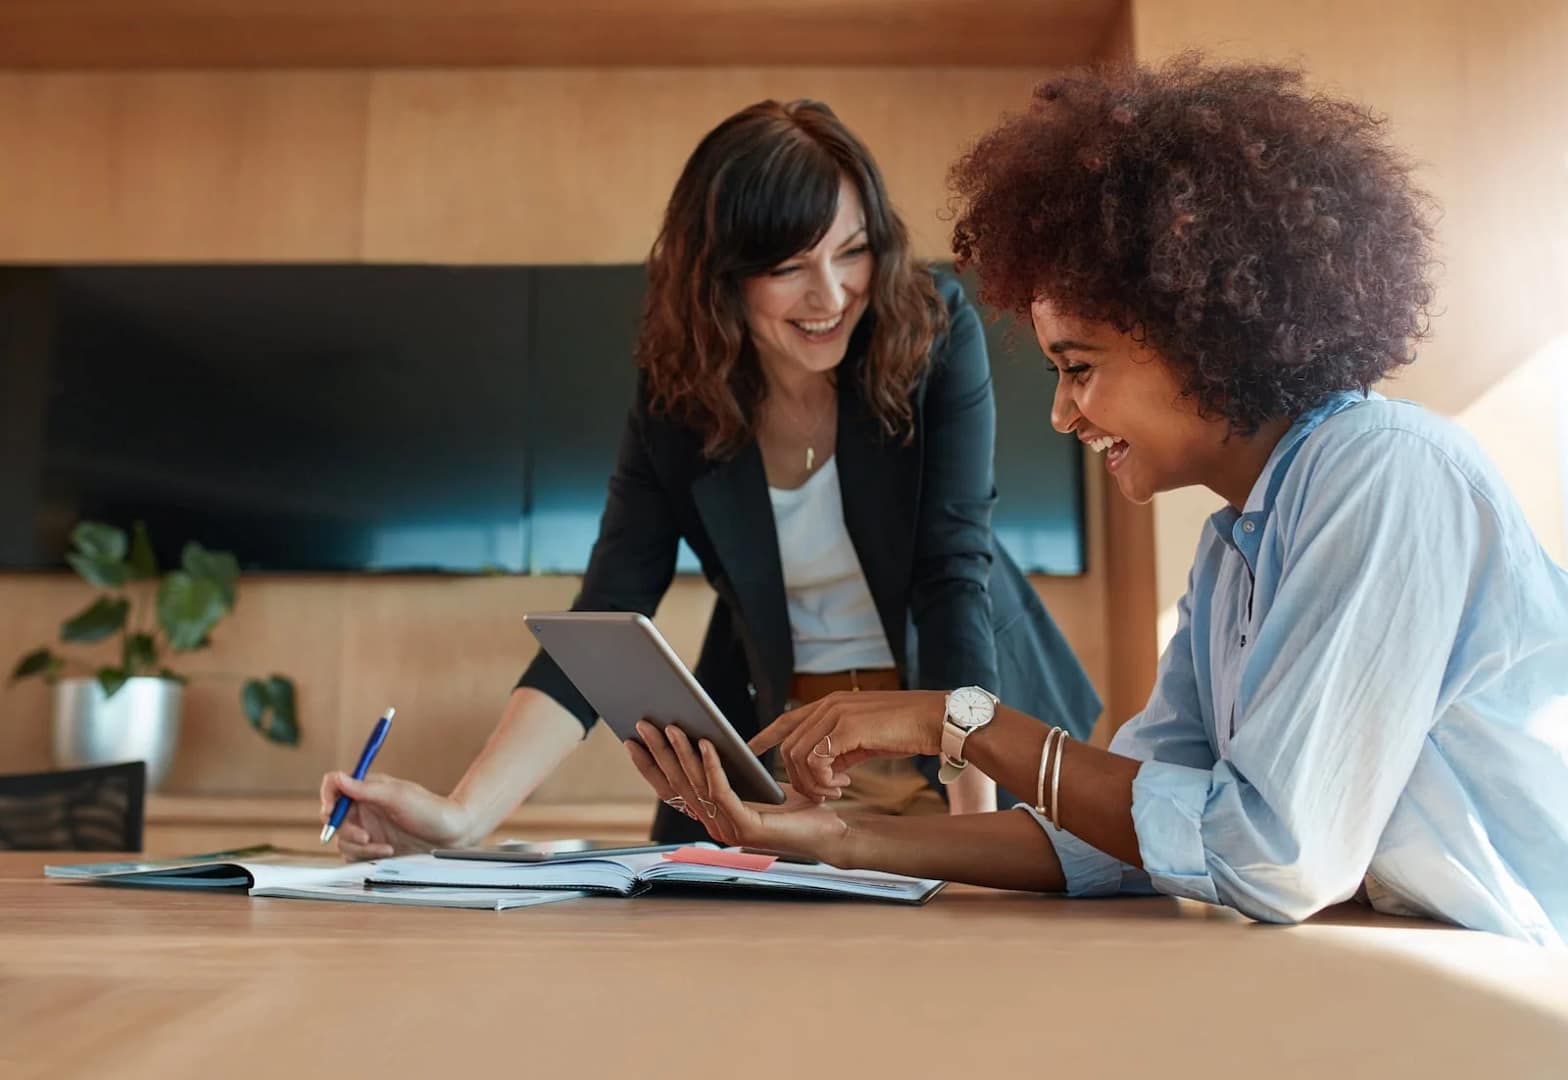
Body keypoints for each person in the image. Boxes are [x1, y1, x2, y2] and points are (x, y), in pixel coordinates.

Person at [626, 58, 1568, 945]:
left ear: (1199, 331)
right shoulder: (1235, 547)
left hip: (1520, 975)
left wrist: (957, 721)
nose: (1063, 410)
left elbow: (1272, 854)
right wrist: (834, 840)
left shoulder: (1384, 474)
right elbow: (1126, 837)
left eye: (1079, 368)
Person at [320, 98, 1099, 856]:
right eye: (790, 266)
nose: (831, 295)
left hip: (962, 743)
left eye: (852, 250)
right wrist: (461, 817)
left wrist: (972, 834)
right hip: (792, 763)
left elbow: (951, 573)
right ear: (722, 276)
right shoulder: (680, 394)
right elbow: (608, 613)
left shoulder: (931, 330)